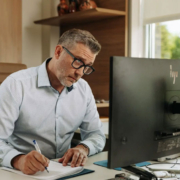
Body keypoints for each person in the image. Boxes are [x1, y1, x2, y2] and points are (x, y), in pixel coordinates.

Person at [0, 29, 106, 175]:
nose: (80, 73)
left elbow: (96, 134)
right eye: (78, 62)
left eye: (87, 67)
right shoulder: (16, 84)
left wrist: (83, 148)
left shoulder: (83, 89)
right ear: (58, 52)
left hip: (65, 172)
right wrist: (18, 160)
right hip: (21, 174)